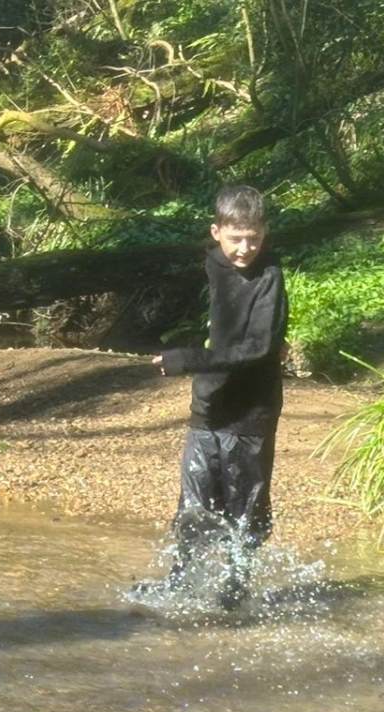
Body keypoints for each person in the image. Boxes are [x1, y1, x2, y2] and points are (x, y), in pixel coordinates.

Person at [148, 183, 289, 603]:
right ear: (216, 232)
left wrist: (188, 359)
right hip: (207, 407)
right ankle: (178, 582)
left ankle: (236, 587)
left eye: (254, 238)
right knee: (192, 506)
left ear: (264, 233)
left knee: (244, 509)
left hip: (250, 413)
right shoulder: (208, 267)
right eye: (236, 238)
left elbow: (257, 349)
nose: (245, 248)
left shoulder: (269, 278)